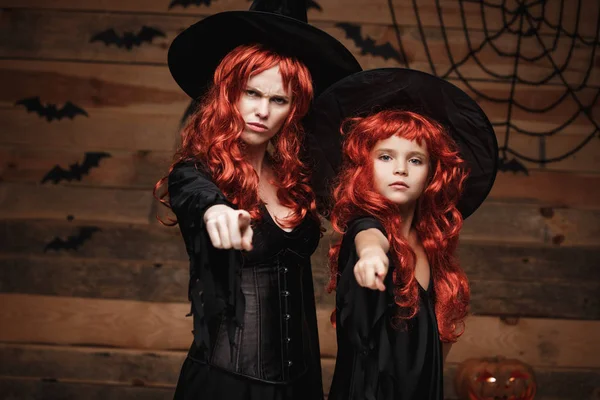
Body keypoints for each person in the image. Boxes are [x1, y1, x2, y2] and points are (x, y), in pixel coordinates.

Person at [154, 1, 361, 399]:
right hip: (226, 382)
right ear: (228, 94)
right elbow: (200, 198)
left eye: (278, 100)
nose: (262, 111)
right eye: (251, 93)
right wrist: (217, 211)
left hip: (301, 380)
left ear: (293, 110)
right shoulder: (195, 174)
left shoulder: (297, 179)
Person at [309, 68, 498, 400]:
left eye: (415, 159)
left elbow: (434, 351)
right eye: (386, 156)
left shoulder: (430, 248)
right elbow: (367, 236)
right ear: (364, 166)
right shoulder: (365, 229)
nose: (400, 169)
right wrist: (370, 256)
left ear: (432, 174)